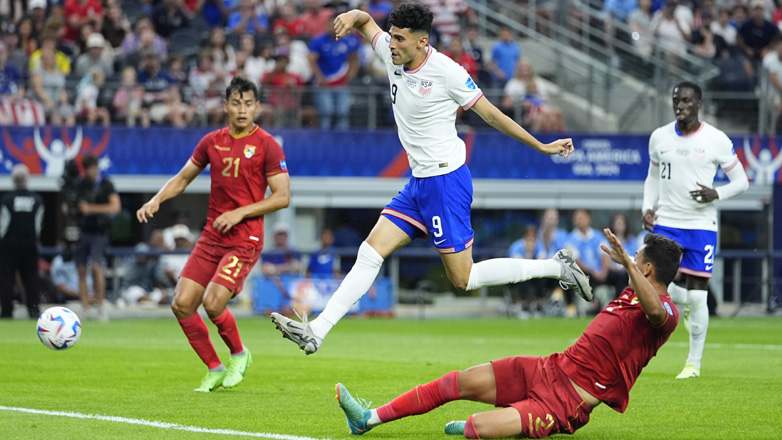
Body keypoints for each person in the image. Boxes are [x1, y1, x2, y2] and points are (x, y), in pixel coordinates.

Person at [271, 3, 590, 355]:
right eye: (391, 36)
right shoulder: (392, 53)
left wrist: (541, 145)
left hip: (446, 183)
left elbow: (493, 116)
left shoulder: (446, 71)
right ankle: (316, 330)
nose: (390, 44)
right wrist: (354, 14)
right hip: (418, 184)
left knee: (462, 278)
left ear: (422, 42)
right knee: (370, 250)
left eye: (400, 39)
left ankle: (555, 266)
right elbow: (365, 23)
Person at [335, 230, 683, 439]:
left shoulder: (666, 313)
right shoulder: (631, 294)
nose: (630, 264)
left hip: (566, 402)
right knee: (456, 382)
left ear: (647, 269)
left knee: (474, 428)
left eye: (637, 261)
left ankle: (508, 423)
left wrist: (627, 263)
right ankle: (368, 419)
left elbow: (655, 310)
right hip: (548, 368)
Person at [136, 76, 290, 392]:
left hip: (244, 237)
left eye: (248, 103)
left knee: (214, 302)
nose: (242, 109)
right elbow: (182, 178)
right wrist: (156, 199)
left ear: (257, 107)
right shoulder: (212, 142)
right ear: (225, 106)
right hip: (212, 237)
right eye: (236, 103)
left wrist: (240, 212)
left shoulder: (268, 145)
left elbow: (282, 196)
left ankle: (239, 354)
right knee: (181, 303)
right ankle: (214, 367)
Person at [642, 81, 749, 379]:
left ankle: (693, 365)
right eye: (676, 100)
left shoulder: (716, 139)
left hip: (701, 226)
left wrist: (718, 193)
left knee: (699, 296)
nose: (680, 105)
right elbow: (652, 177)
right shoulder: (659, 137)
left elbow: (742, 182)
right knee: (652, 288)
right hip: (666, 223)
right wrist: (646, 207)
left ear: (699, 104)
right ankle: (681, 304)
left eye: (687, 101)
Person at [74, 154, 120, 320]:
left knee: (96, 266)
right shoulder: (81, 185)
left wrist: (91, 209)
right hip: (83, 231)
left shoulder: (106, 185)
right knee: (81, 269)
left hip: (100, 232)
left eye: (93, 168)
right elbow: (75, 205)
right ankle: (85, 307)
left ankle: (101, 305)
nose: (91, 172)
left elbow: (115, 207)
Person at [0, 165, 44, 319]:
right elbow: (38, 224)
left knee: (7, 278)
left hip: (9, 243)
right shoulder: (37, 199)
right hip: (30, 243)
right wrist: (35, 238)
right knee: (31, 278)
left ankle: (6, 312)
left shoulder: (7, 200)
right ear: (28, 180)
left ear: (13, 181)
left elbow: (3, 224)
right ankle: (33, 312)